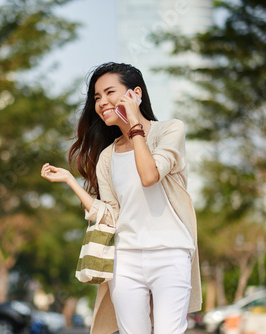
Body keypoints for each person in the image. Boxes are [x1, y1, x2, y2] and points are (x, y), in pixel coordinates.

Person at [41, 62, 201, 334]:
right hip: (125, 258)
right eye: (97, 97)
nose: (102, 102)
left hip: (170, 251)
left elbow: (150, 175)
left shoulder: (169, 131)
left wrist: (134, 125)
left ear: (135, 93)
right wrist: (70, 180)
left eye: (109, 92)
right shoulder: (108, 156)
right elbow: (112, 214)